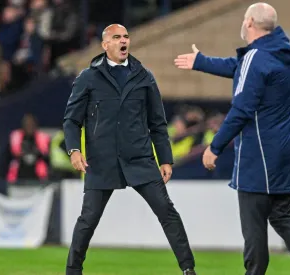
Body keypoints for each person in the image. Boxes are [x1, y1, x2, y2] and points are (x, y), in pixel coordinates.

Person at [174, 3, 290, 275]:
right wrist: (202, 61)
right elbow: (240, 66)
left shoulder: (257, 56)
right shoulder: (279, 53)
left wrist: (214, 146)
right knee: (282, 215)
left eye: (244, 20)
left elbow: (242, 109)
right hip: (282, 151)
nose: (242, 24)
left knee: (254, 225)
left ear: (251, 23)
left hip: (259, 155)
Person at [63, 24, 196, 275]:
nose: (124, 41)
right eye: (117, 37)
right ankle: (72, 271)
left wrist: (165, 159)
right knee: (88, 220)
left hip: (140, 160)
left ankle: (188, 269)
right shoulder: (87, 78)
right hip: (101, 162)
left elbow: (157, 123)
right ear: (105, 45)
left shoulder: (144, 76)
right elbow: (71, 120)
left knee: (167, 212)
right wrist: (74, 150)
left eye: (126, 36)